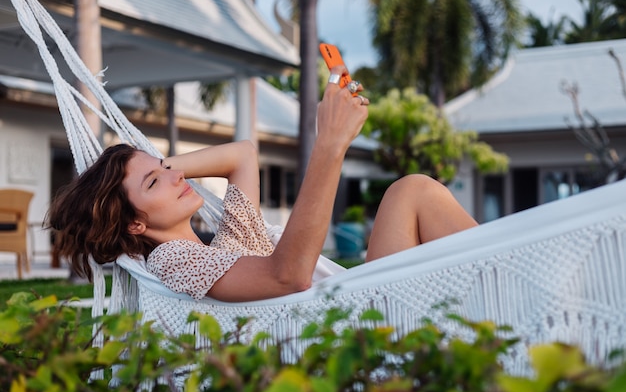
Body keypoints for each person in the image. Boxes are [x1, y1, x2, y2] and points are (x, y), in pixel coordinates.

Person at [47, 66, 477, 302]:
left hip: (362, 303)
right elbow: (287, 277)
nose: (177, 174)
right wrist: (329, 144)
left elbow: (244, 155)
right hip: (363, 325)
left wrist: (161, 168)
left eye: (166, 166)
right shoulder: (171, 262)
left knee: (411, 190)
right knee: (412, 191)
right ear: (135, 225)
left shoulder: (229, 245)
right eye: (154, 182)